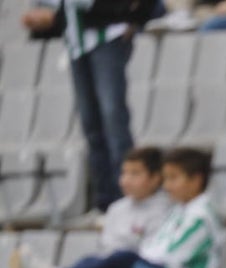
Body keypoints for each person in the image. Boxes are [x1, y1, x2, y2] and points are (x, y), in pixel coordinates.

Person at [13, 148, 221, 268]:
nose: (166, 186)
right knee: (96, 260)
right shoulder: (180, 210)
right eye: (166, 179)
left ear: (196, 180)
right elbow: (156, 247)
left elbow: (169, 254)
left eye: (173, 179)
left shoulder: (202, 217)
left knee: (124, 260)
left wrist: (129, 261)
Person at [21, 0, 154, 213]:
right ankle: (105, 200)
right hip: (76, 43)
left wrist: (134, 20)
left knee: (113, 119)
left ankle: (126, 197)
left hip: (108, 36)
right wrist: (49, 19)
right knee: (91, 125)